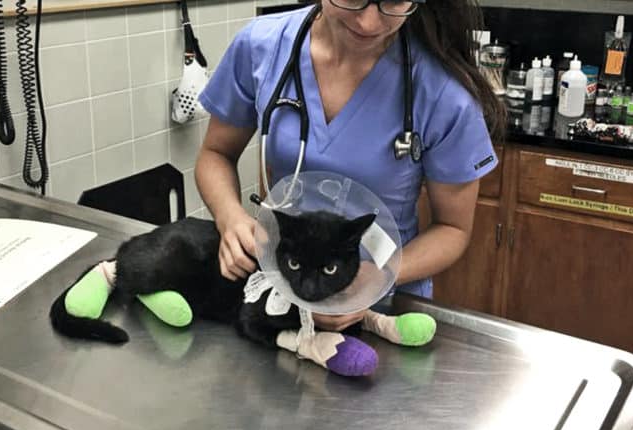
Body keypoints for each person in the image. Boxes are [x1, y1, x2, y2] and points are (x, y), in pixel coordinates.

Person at [195, 0, 505, 332]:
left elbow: (453, 229)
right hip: (280, 293)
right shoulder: (261, 47)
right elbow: (215, 155)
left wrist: (382, 276)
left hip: (382, 311)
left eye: (395, 1)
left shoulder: (442, 90)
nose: (369, 22)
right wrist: (230, 217)